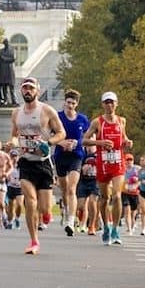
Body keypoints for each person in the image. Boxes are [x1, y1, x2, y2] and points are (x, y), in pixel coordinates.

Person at [10, 76, 66, 254]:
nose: (28, 91)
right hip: (26, 161)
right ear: (21, 91)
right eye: (25, 88)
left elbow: (61, 133)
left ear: (37, 91)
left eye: (31, 88)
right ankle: (34, 241)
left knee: (44, 208)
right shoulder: (16, 113)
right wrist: (13, 143)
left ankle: (47, 214)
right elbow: (14, 134)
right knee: (30, 202)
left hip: (43, 163)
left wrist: (48, 143)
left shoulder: (47, 111)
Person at [82, 90, 132, 246]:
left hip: (118, 162)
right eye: (106, 102)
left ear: (116, 104)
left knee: (117, 195)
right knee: (104, 198)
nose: (109, 105)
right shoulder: (97, 122)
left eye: (112, 102)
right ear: (103, 104)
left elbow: (123, 138)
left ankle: (116, 229)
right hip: (103, 164)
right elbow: (84, 140)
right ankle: (106, 228)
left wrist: (128, 142)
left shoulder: (121, 121)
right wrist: (100, 143)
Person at [53, 88, 90, 236]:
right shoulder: (57, 117)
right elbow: (51, 135)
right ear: (64, 102)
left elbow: (87, 137)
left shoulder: (82, 119)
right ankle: (67, 211)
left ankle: (71, 221)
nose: (70, 106)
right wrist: (61, 143)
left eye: (73, 103)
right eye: (68, 102)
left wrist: (78, 143)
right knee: (64, 190)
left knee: (71, 188)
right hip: (61, 155)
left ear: (77, 104)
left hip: (76, 156)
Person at [75, 155, 100, 235]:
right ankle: (82, 222)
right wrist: (82, 169)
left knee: (92, 202)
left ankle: (91, 226)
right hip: (83, 181)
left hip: (95, 181)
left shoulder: (99, 153)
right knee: (80, 206)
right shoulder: (82, 153)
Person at [0, 39, 17, 106]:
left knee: (11, 87)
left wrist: (3, 58)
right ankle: (5, 100)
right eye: (4, 43)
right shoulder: (0, 51)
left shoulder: (12, 51)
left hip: (10, 71)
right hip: (2, 72)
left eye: (7, 43)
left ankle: (14, 101)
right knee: (4, 87)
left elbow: (13, 59)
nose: (6, 44)